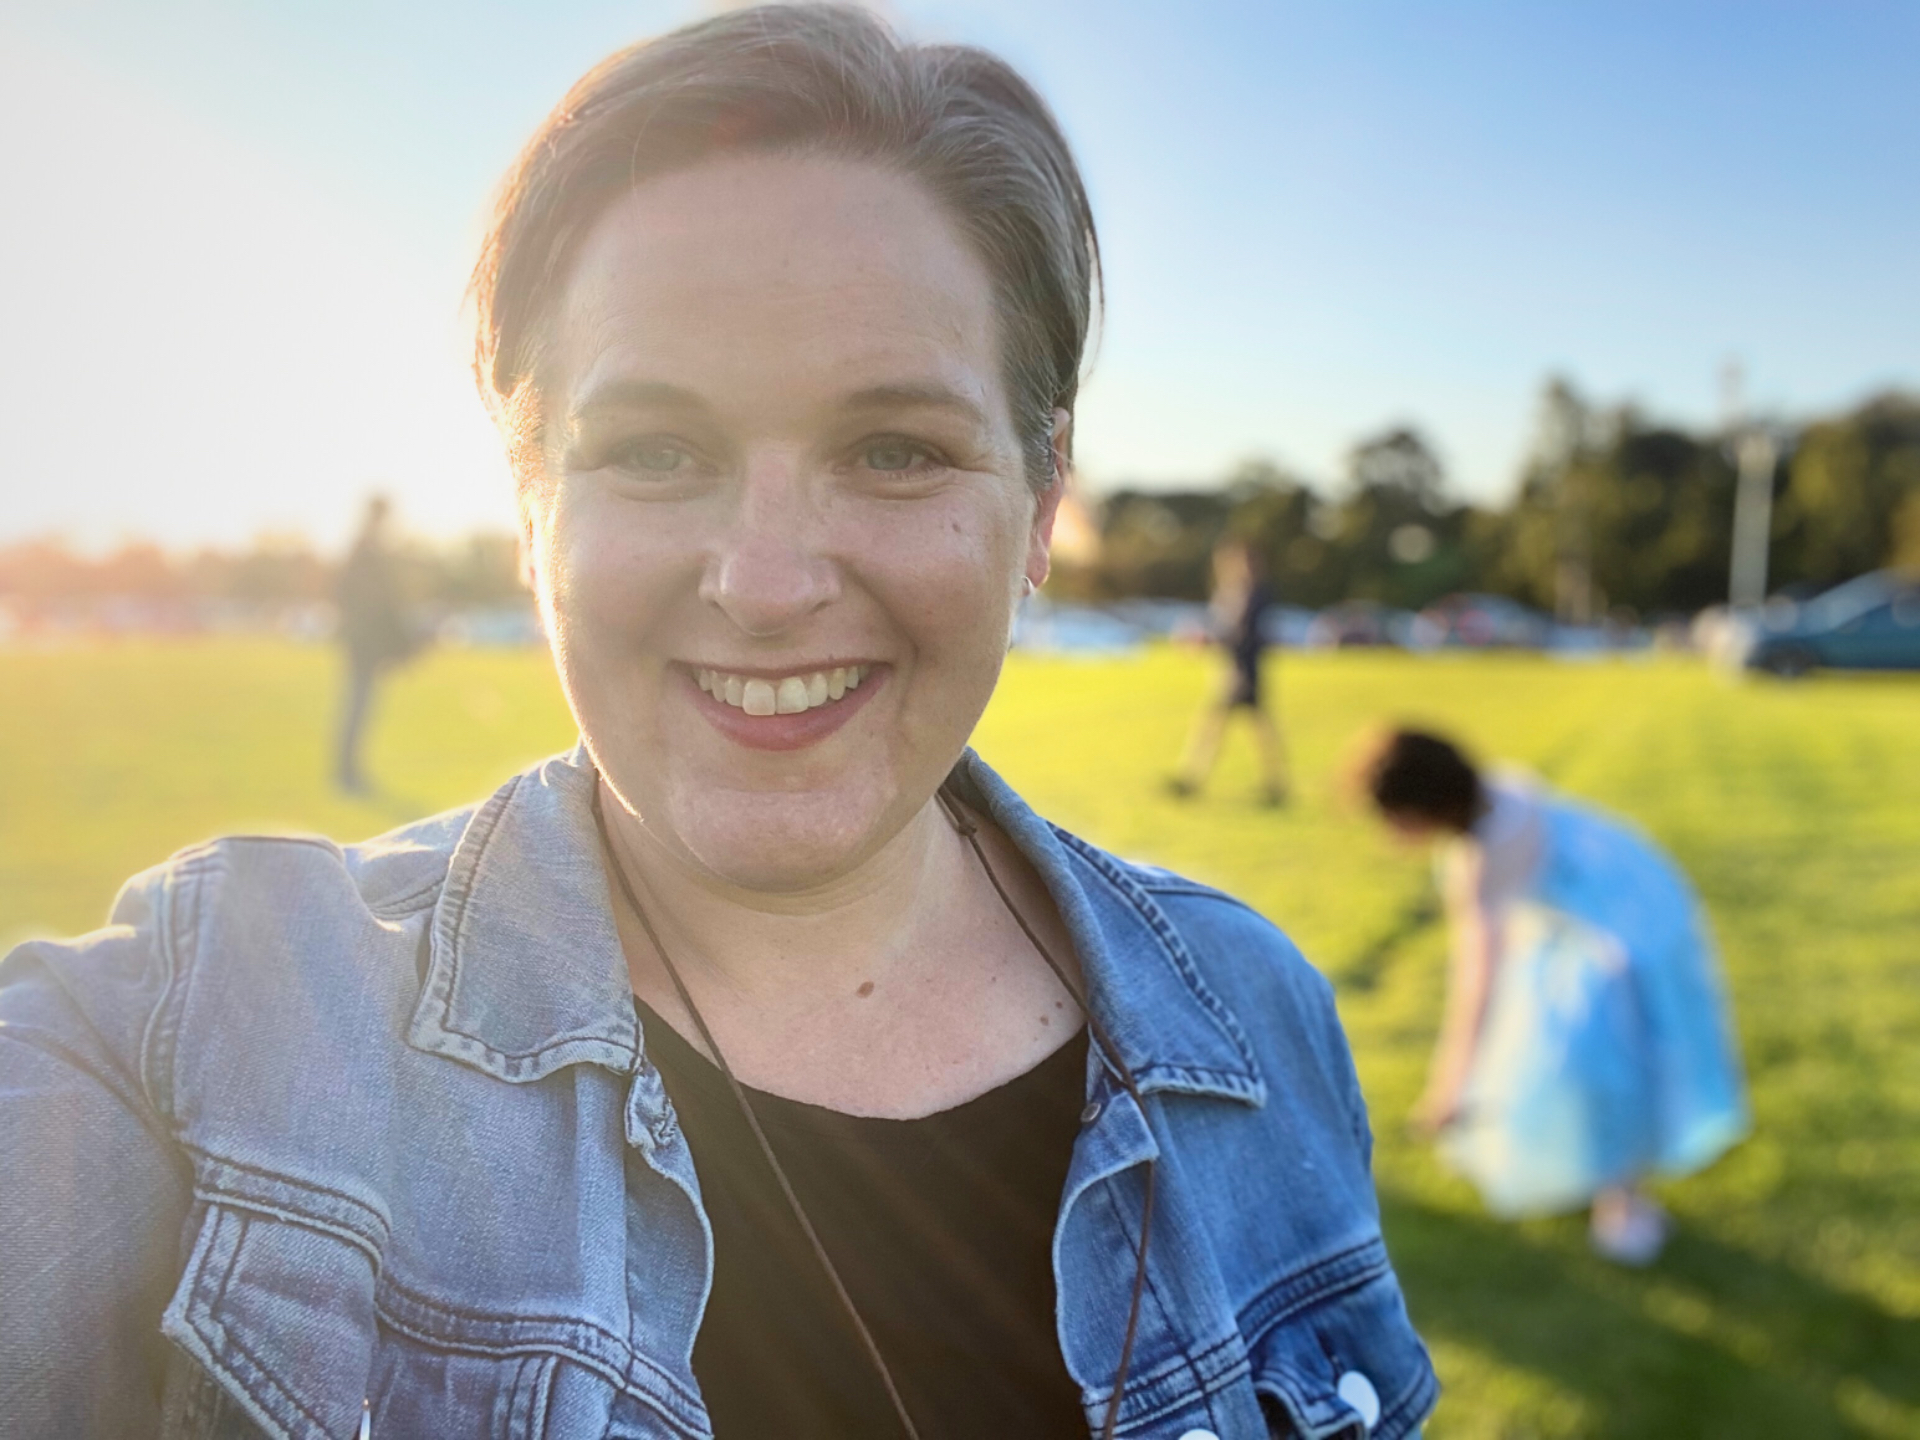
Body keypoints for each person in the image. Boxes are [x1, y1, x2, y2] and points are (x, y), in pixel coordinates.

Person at [0, 10, 1436, 1437]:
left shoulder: (1258, 1017)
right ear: (530, 504)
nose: (765, 583)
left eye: (894, 450)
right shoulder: (206, 1041)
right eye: (656, 450)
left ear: (1042, 499)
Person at [1354, 727, 1749, 1264]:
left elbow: (1479, 979)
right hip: (1617, 905)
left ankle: (1626, 1203)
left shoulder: (1486, 858)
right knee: (1568, 1041)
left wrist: (1451, 1082)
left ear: (1425, 804)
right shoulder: (1496, 793)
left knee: (1612, 1059)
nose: (1391, 833)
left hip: (1629, 930)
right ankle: (1602, 1174)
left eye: (1395, 817)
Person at [1170, 536, 1288, 804]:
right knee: (1234, 726)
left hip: (1245, 670)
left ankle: (1193, 778)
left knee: (1235, 726)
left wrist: (1210, 640)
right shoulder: (1231, 592)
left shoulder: (1256, 594)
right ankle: (1274, 783)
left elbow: (1244, 634)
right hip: (1231, 669)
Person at [333, 495, 419, 793]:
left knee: (360, 706)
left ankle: (349, 769)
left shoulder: (368, 548)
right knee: (358, 705)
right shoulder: (366, 550)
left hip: (364, 643)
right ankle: (346, 771)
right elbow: (374, 602)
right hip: (362, 644)